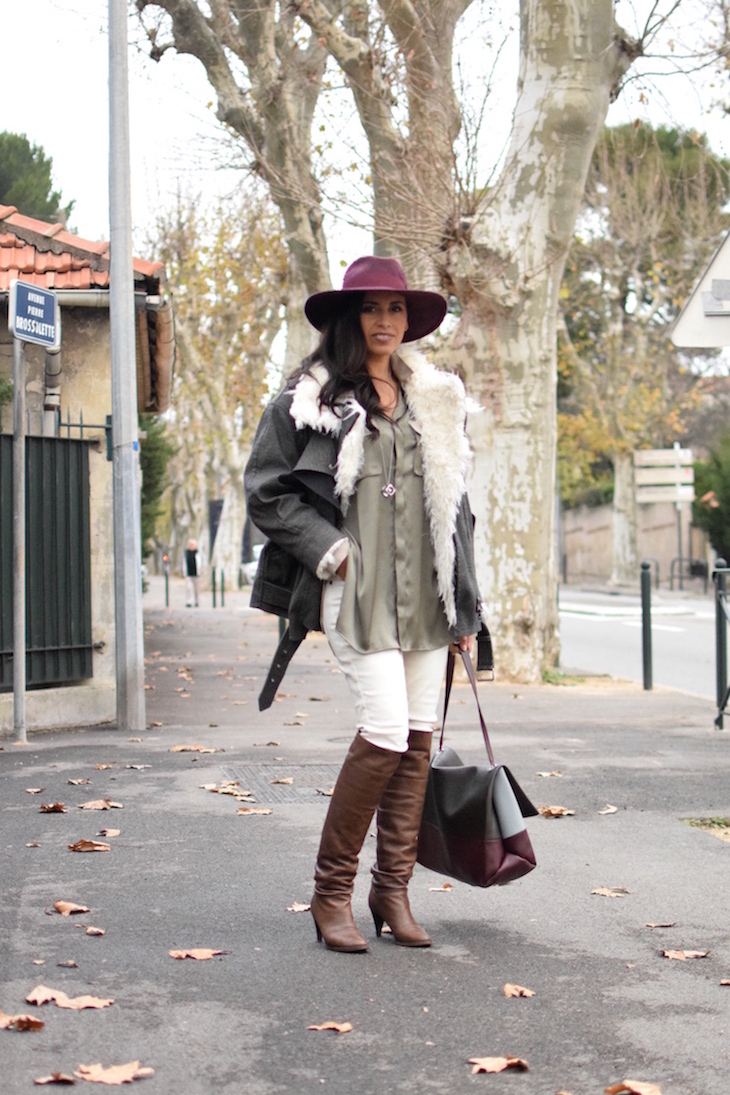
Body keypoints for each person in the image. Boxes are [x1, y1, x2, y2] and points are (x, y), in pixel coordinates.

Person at [244, 256, 486, 953]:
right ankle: (330, 894)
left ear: (409, 321)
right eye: (373, 309)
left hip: (427, 599)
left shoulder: (435, 399)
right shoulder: (310, 398)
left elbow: (457, 510)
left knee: (416, 742)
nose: (386, 322)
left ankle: (393, 890)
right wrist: (331, 548)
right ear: (350, 317)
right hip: (356, 590)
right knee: (382, 733)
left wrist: (466, 609)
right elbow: (267, 489)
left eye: (396, 309)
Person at [183, 539, 200, 607]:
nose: (192, 546)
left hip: (197, 574)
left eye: (193, 545)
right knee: (189, 588)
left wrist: (202, 569)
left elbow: (202, 562)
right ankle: (189, 601)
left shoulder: (198, 553)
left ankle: (197, 601)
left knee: (197, 589)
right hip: (188, 573)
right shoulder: (186, 553)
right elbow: (183, 563)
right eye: (190, 545)